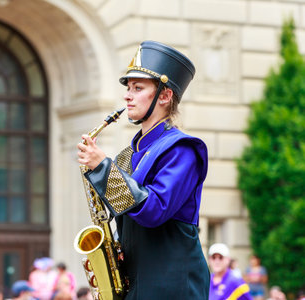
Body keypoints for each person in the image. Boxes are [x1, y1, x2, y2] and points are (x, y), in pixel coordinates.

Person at [77, 40, 210, 298]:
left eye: (138, 88)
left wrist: (103, 168)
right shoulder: (128, 154)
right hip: (137, 284)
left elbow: (154, 210)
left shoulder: (183, 149)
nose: (127, 95)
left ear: (164, 95)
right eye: (128, 87)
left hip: (171, 288)